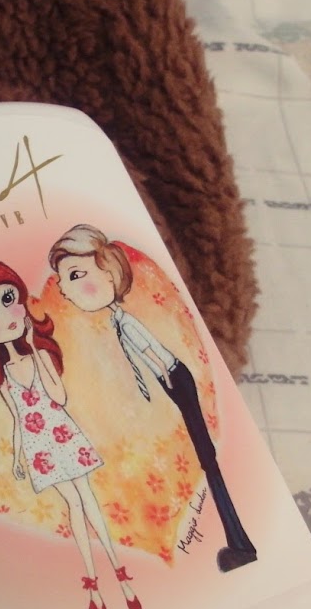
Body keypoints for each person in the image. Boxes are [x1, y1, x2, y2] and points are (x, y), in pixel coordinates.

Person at [0, 255, 140, 609]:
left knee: (87, 497)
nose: (5, 316)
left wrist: (33, 347)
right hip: (39, 446)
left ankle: (120, 573)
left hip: (62, 433)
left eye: (7, 299)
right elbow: (17, 419)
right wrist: (18, 458)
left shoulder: (40, 354)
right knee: (75, 503)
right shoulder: (2, 375)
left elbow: (59, 398)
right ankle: (94, 585)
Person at [48, 224, 257, 573]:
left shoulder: (127, 323)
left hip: (177, 382)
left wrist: (167, 387)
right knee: (205, 459)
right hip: (172, 383)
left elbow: (156, 357)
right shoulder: (116, 323)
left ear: (109, 273)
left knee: (207, 458)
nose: (65, 288)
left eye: (75, 275)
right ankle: (237, 540)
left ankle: (240, 542)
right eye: (63, 279)